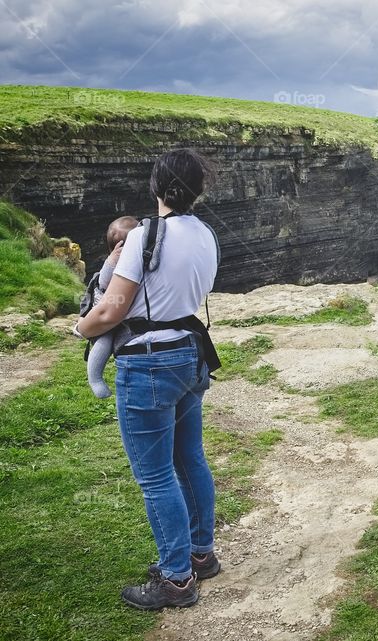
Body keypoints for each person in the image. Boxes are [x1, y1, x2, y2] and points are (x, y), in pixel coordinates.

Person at [76, 148, 222, 610]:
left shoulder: (144, 236)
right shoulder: (206, 234)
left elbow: (112, 309)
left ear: (157, 187)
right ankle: (201, 555)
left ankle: (176, 580)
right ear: (198, 188)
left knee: (157, 476)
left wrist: (81, 328)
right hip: (189, 355)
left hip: (149, 362)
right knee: (190, 460)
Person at [81, 215, 138, 398]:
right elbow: (103, 283)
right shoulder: (113, 261)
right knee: (104, 341)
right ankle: (95, 378)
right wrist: (112, 261)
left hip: (126, 312)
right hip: (109, 306)